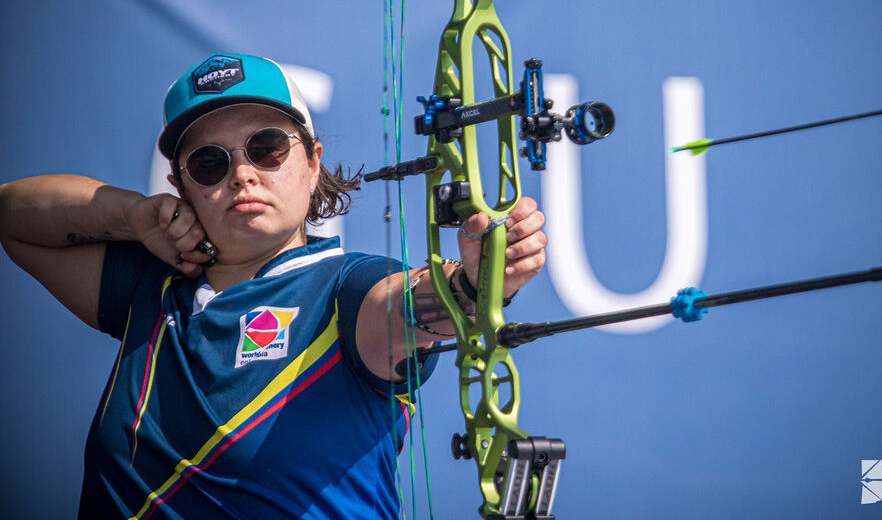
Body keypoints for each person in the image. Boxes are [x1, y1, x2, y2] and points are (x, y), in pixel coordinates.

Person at [0, 53, 548, 519]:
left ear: (311, 164)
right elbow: (13, 217)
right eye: (209, 164)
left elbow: (414, 306)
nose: (242, 174)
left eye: (266, 148)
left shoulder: (346, 288)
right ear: (181, 188)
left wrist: (477, 281)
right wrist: (134, 216)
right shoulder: (153, 288)